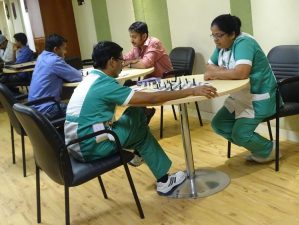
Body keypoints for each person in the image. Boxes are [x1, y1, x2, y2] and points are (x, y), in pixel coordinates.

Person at [64, 41, 217, 195]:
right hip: (92, 147)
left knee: (136, 112)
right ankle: (164, 181)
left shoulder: (90, 80)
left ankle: (138, 155)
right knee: (141, 132)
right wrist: (191, 91)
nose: (122, 65)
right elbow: (152, 100)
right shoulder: (105, 85)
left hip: (75, 144)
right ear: (111, 62)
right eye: (121, 61)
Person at [204, 14, 279, 163]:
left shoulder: (244, 42)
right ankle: (258, 147)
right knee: (218, 124)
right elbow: (208, 67)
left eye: (219, 35)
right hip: (239, 97)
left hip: (259, 97)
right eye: (213, 35)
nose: (215, 40)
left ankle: (270, 149)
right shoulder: (222, 46)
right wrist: (222, 72)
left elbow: (241, 72)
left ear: (232, 34)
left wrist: (217, 72)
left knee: (240, 135)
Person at [123, 21, 173, 121]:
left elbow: (145, 64)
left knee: (130, 87)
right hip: (151, 79)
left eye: (134, 37)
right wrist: (129, 60)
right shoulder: (137, 47)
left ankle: (142, 117)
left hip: (164, 79)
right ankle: (144, 114)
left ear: (144, 36)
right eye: (131, 37)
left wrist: (129, 63)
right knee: (128, 85)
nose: (131, 40)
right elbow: (124, 58)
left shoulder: (154, 43)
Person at [28, 34, 82, 120]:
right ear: (56, 49)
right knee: (81, 109)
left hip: (33, 108)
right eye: (64, 49)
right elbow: (78, 76)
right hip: (47, 109)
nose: (65, 52)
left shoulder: (41, 57)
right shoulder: (54, 60)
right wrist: (62, 59)